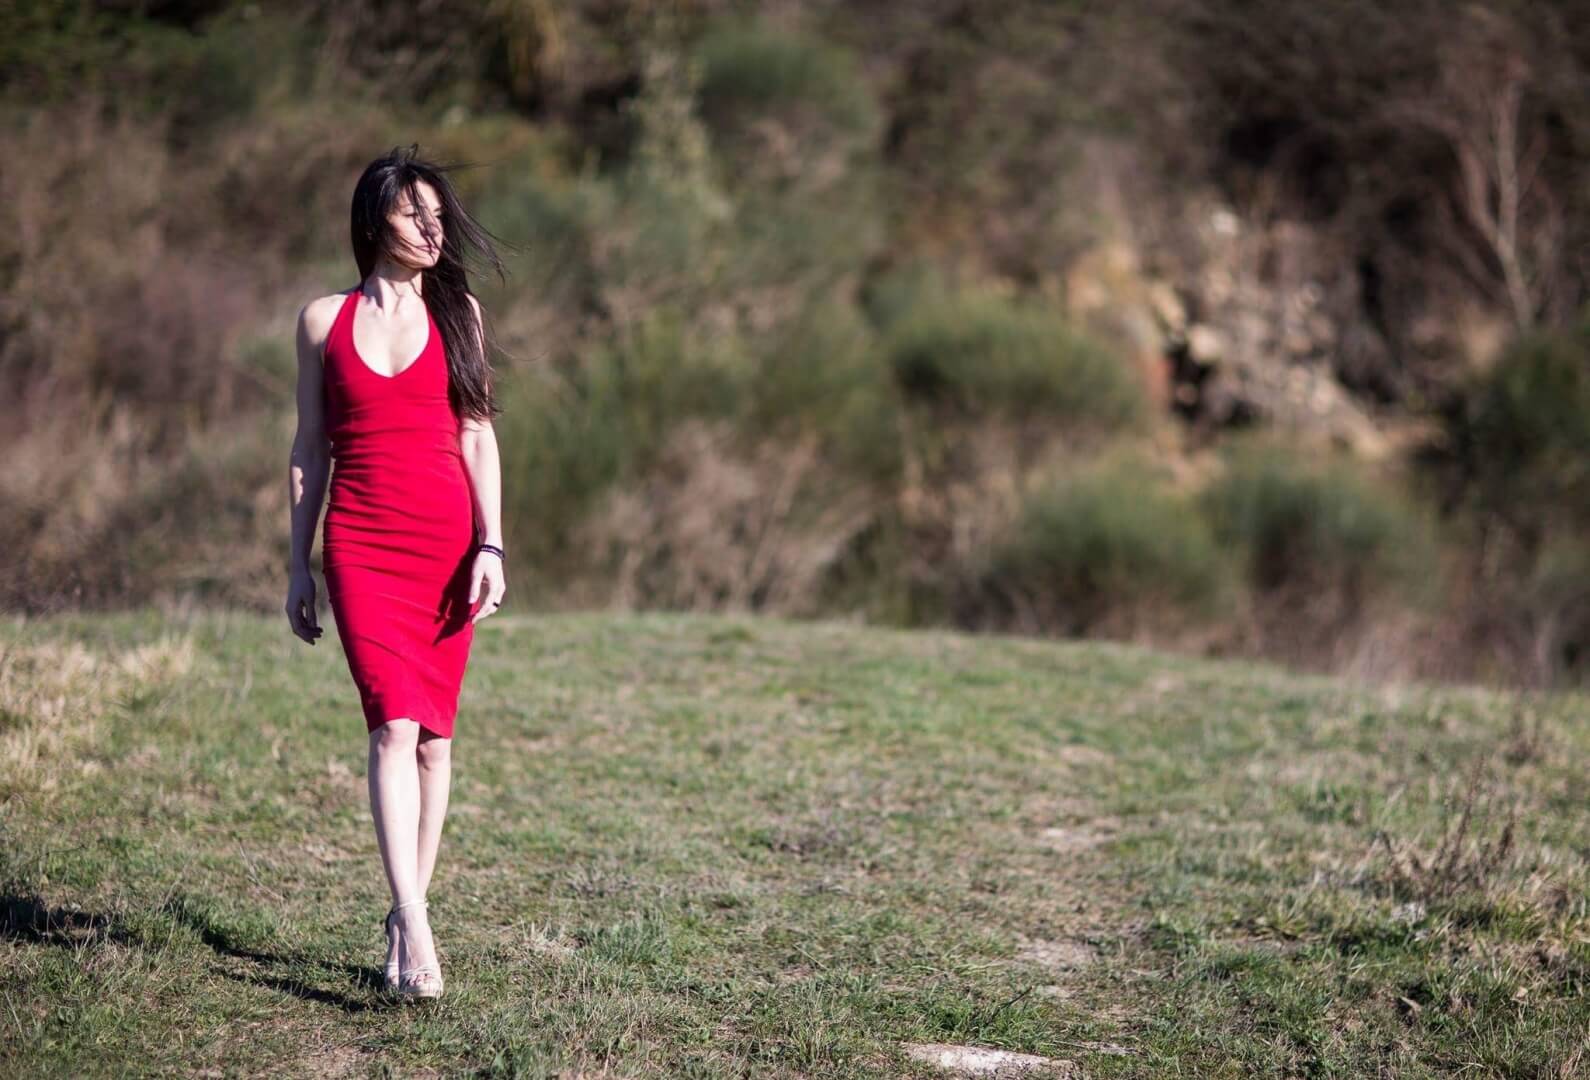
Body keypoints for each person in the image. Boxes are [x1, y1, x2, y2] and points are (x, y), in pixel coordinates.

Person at [285, 144, 509, 1001]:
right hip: (361, 543)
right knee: (392, 727)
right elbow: (309, 450)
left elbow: (477, 435)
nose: (431, 229)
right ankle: (414, 920)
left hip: (446, 545)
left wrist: (492, 545)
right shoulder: (321, 322)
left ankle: (405, 912)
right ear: (374, 220)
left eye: (439, 216)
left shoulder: (460, 314)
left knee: (435, 741)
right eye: (415, 213)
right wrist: (297, 565)